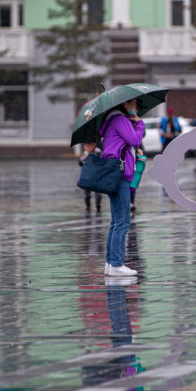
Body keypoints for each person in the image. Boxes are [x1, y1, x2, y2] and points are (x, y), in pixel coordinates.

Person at [84, 98, 144, 277]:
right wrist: (139, 124)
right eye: (133, 103)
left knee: (116, 221)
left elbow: (122, 143)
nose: (135, 107)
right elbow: (134, 140)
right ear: (124, 104)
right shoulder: (119, 119)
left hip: (113, 173)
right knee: (122, 221)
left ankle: (111, 264)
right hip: (120, 174)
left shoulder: (111, 120)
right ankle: (117, 264)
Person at [78, 139, 102, 213]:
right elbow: (80, 163)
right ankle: (88, 206)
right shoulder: (85, 154)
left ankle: (98, 206)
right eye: (86, 145)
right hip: (87, 176)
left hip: (96, 175)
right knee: (87, 193)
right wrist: (84, 157)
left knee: (98, 193)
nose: (87, 147)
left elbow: (100, 162)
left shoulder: (97, 152)